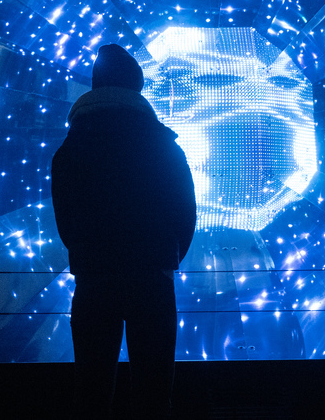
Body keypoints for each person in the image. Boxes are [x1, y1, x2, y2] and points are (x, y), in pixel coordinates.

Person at [51, 43, 197, 418]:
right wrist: (168, 257)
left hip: (93, 278)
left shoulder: (70, 148)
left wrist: (86, 253)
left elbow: (64, 217)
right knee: (153, 395)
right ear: (137, 88)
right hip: (152, 278)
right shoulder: (162, 143)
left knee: (92, 393)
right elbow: (185, 211)